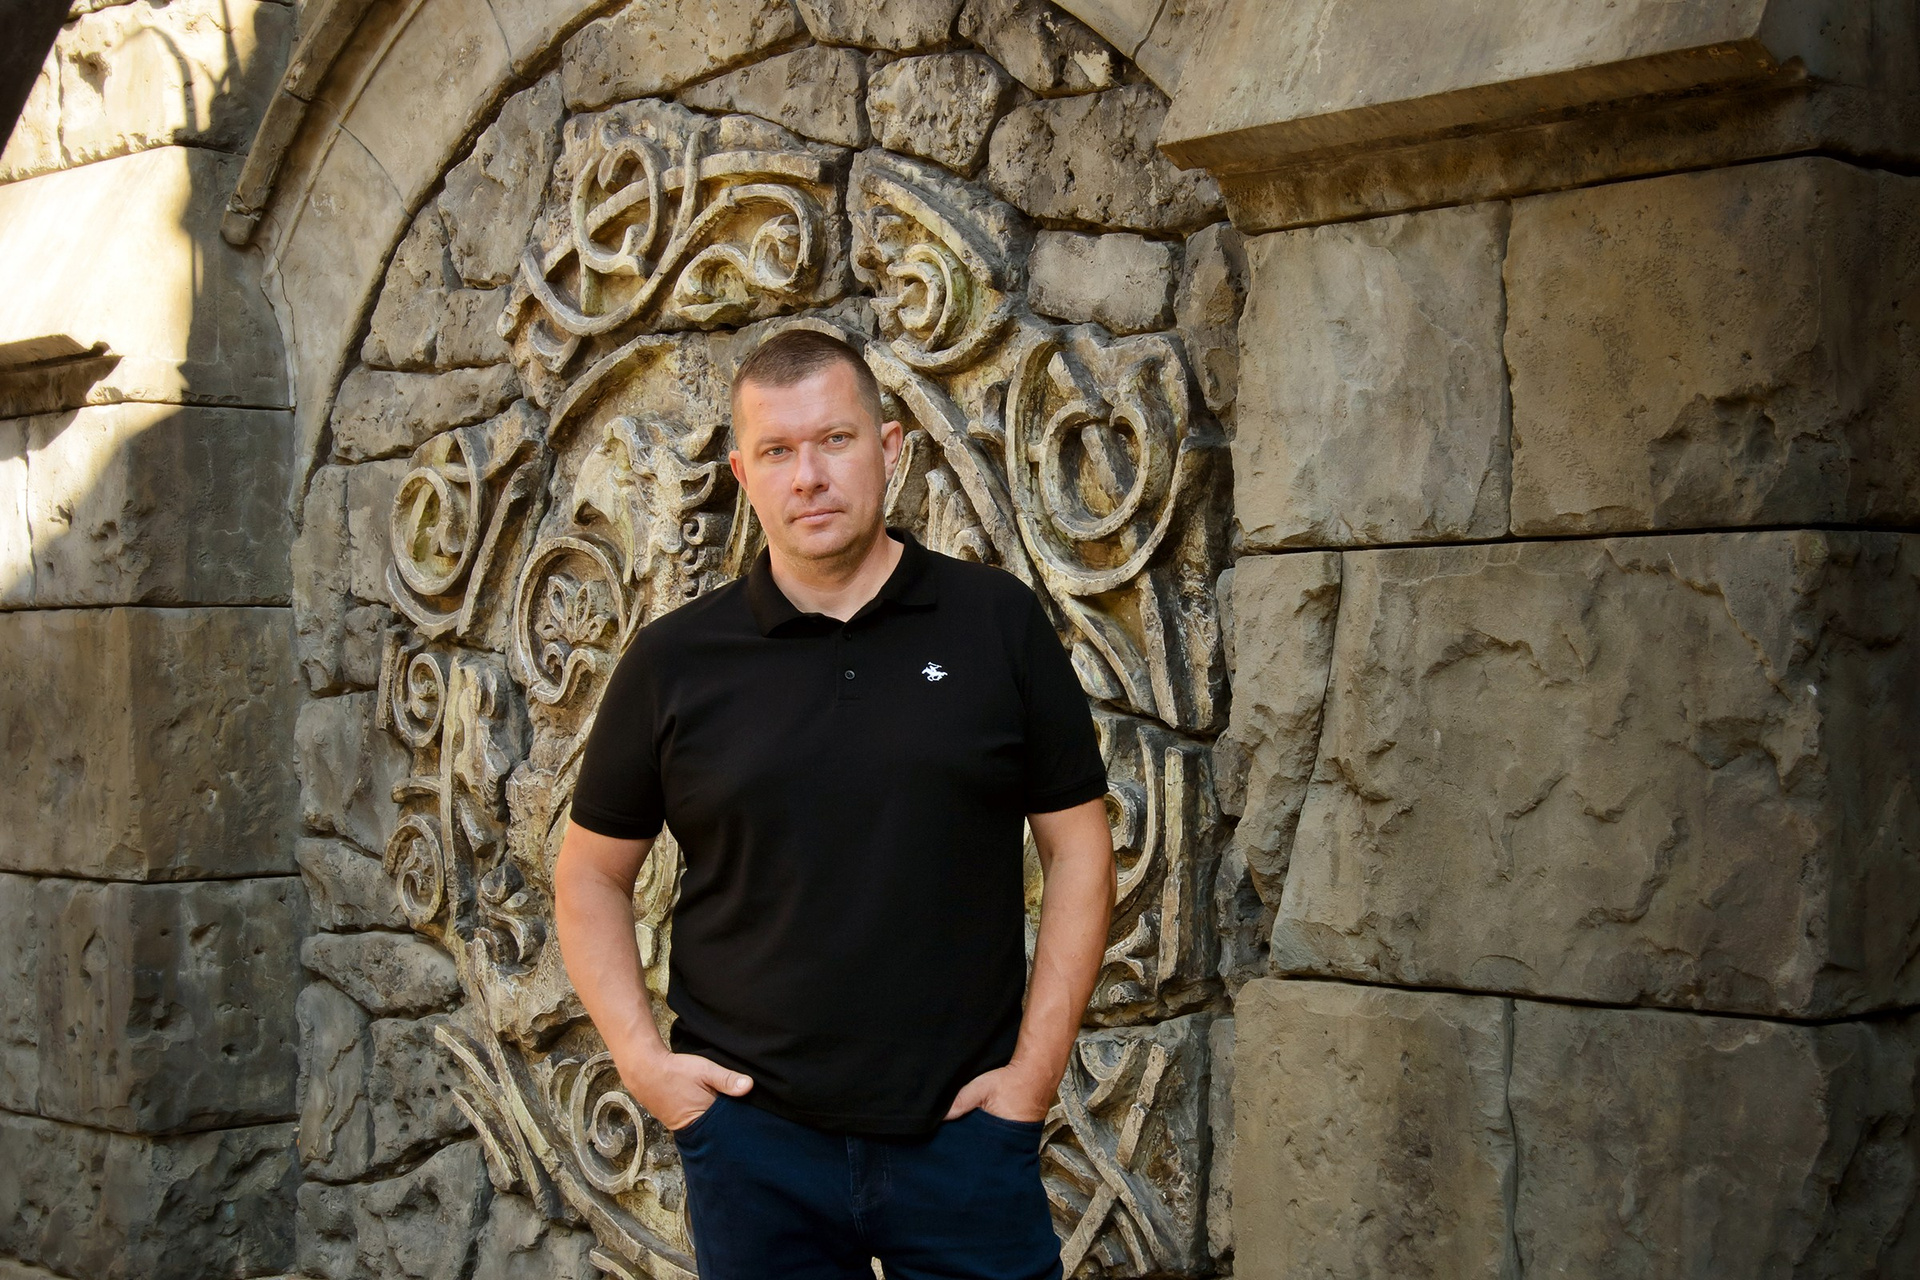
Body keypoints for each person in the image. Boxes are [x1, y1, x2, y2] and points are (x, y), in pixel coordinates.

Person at [552, 326, 1117, 1280]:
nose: (808, 476)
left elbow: (1081, 850)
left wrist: (1033, 1078)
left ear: (889, 449)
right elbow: (589, 878)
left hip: (965, 1140)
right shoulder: (674, 662)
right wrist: (650, 1071)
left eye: (835, 440)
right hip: (755, 1149)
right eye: (777, 451)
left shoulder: (995, 623)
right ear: (743, 474)